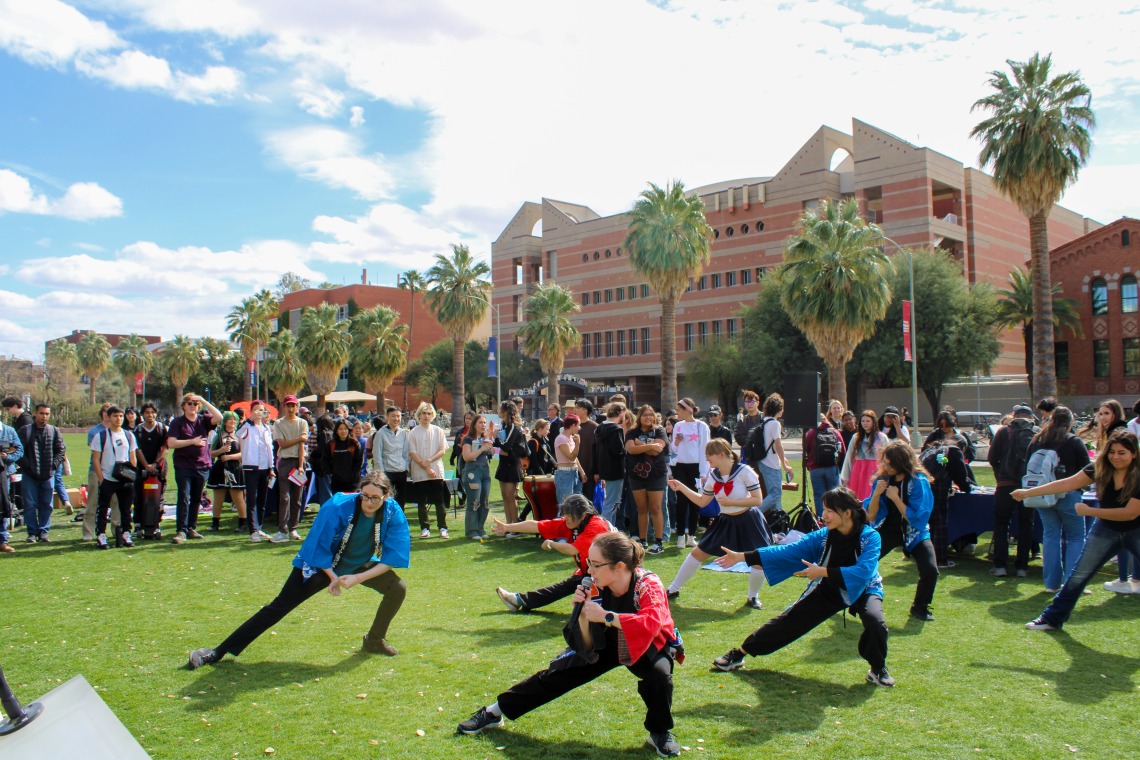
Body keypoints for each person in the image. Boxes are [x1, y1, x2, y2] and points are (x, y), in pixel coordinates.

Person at [458, 532, 682, 758]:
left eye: (595, 565)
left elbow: (651, 624)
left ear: (620, 566)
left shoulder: (648, 583)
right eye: (588, 564)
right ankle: (494, 712)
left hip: (646, 643)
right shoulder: (593, 585)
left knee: (659, 676)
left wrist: (605, 616)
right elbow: (583, 642)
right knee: (557, 674)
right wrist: (583, 614)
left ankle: (659, 732)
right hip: (606, 642)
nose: (589, 571)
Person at [187, 470, 411, 667]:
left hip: (359, 563)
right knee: (279, 606)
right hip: (321, 565)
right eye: (365, 496)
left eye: (375, 498)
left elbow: (392, 556)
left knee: (397, 589)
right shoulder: (338, 505)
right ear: (359, 491)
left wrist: (358, 578)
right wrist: (334, 578)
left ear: (386, 496)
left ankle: (373, 641)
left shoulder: (392, 511)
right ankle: (218, 652)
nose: (369, 502)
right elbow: (318, 545)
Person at [711, 487, 891, 687]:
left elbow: (865, 571)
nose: (825, 516)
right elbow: (788, 551)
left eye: (830, 511)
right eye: (824, 509)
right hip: (831, 589)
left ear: (847, 513)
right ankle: (740, 653)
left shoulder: (870, 536)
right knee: (790, 620)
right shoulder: (823, 535)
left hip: (866, 587)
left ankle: (878, 669)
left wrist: (823, 572)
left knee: (876, 623)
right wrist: (743, 556)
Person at [1018, 429, 1140, 629]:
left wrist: (1090, 512)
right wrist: (1029, 491)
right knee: (1078, 576)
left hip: (1136, 530)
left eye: (1122, 453)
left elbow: (1130, 513)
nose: (1116, 457)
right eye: (1112, 452)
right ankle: (1052, 619)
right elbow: (1068, 483)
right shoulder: (1100, 467)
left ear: (1134, 453)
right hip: (1106, 530)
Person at [665, 439, 769, 609]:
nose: (707, 459)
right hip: (725, 521)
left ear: (722, 454)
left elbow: (758, 500)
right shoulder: (714, 475)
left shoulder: (745, 471)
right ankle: (673, 589)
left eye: (709, 455)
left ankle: (753, 597)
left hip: (748, 521)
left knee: (758, 560)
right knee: (698, 553)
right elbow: (702, 501)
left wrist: (729, 502)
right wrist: (681, 487)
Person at [494, 494, 615, 611]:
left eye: (570, 515)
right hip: (593, 570)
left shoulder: (596, 526)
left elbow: (573, 549)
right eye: (565, 514)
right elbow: (537, 526)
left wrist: (551, 544)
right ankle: (520, 600)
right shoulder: (571, 523)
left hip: (614, 573)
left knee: (583, 594)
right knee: (570, 585)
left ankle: (520, 600)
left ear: (583, 515)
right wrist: (507, 528)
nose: (566, 518)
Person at [864, 441, 939, 621]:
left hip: (915, 533)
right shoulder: (882, 479)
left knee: (930, 570)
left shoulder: (919, 482)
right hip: (889, 530)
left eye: (891, 464)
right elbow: (871, 514)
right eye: (885, 462)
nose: (886, 467)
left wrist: (896, 498)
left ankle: (920, 607)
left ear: (902, 462)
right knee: (862, 561)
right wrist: (876, 495)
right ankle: (846, 595)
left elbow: (917, 518)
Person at [1017, 406, 1089, 591]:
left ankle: (1051, 583)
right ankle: (1072, 584)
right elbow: (1087, 469)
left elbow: (1027, 465)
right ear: (1070, 422)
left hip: (1042, 493)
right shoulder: (1073, 441)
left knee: (1050, 536)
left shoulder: (1038, 440)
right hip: (1069, 493)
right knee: (1075, 537)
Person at [986, 405, 1038, 577]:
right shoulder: (1036, 432)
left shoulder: (1003, 432)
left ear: (1014, 416)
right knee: (1026, 525)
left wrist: (1001, 474)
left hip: (1005, 485)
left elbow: (992, 458)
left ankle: (1000, 565)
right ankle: (1022, 566)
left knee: (1002, 524)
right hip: (1027, 486)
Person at [167, 393, 223, 545]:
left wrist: (204, 400)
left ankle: (191, 527)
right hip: (184, 465)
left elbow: (219, 417)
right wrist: (192, 441)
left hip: (202, 465)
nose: (193, 406)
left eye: (195, 404)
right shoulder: (178, 422)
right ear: (184, 406)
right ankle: (181, 530)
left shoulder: (203, 420)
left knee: (197, 498)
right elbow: (171, 443)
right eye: (190, 403)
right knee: (184, 497)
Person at [920, 415, 973, 568]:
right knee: (940, 523)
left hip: (923, 487)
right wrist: (968, 488)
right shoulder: (954, 450)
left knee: (927, 523)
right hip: (938, 488)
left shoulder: (934, 448)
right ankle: (940, 559)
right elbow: (961, 477)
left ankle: (925, 556)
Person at [90, 405, 139, 549]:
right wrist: (101, 478)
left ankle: (126, 533)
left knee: (126, 508)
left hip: (125, 478)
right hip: (108, 478)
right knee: (103, 508)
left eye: (121, 416)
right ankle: (101, 534)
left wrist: (132, 474)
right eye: (115, 416)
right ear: (108, 418)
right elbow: (96, 459)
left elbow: (132, 456)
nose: (118, 419)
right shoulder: (101, 436)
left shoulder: (129, 435)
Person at [16, 403, 65, 543]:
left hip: (48, 474)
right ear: (35, 414)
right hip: (29, 475)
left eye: (47, 414)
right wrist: (28, 467)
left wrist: (54, 465)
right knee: (29, 504)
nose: (44, 416)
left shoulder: (54, 431)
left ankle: (43, 531)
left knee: (47, 504)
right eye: (42, 413)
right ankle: (32, 532)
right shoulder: (25, 431)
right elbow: (19, 452)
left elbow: (61, 450)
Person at [626, 404, 668, 555]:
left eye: (651, 414)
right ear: (639, 417)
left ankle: (658, 542)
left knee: (656, 508)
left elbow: (658, 449)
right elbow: (630, 449)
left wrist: (640, 444)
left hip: (656, 475)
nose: (648, 417)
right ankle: (643, 541)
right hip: (636, 475)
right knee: (642, 508)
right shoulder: (632, 432)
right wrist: (649, 446)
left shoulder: (660, 430)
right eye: (645, 415)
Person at [744, 393, 795, 514]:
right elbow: (778, 445)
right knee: (776, 494)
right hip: (771, 464)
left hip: (763, 462)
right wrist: (785, 465)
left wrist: (783, 459)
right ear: (779, 409)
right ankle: (753, 513)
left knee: (773, 494)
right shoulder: (775, 424)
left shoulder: (764, 421)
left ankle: (778, 521)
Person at [270, 395, 310, 543]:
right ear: (284, 407)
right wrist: (299, 439)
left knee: (297, 498)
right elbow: (282, 444)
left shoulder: (302, 423)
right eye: (289, 406)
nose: (291, 409)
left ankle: (293, 528)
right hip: (285, 462)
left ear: (297, 407)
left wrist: (300, 466)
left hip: (298, 462)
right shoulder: (279, 423)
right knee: (284, 497)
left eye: (294, 406)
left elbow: (301, 445)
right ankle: (282, 529)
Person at [670, 398, 709, 549]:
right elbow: (674, 449)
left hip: (696, 467)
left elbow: (704, 450)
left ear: (688, 410)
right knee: (681, 501)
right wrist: (677, 442)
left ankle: (691, 536)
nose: (677, 413)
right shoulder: (678, 426)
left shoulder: (701, 426)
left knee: (695, 502)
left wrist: (703, 472)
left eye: (679, 410)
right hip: (681, 466)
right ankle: (680, 536)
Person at [408, 402, 449, 539]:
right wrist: (425, 466)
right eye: (424, 413)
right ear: (419, 415)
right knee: (422, 502)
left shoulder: (438, 431)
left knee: (439, 500)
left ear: (433, 415)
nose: (426, 416)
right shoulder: (413, 432)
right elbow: (412, 452)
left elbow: (442, 450)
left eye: (429, 413)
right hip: (419, 472)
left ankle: (443, 528)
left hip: (436, 471)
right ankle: (425, 528)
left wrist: (429, 461)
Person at [238, 400, 275, 542]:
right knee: (252, 499)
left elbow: (270, 449)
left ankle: (259, 527)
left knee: (262, 499)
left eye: (261, 409)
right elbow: (238, 434)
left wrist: (271, 467)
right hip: (251, 467)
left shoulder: (266, 428)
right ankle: (252, 529)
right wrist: (249, 419)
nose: (259, 412)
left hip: (265, 467)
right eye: (256, 410)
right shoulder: (247, 426)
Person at [206, 411, 247, 532]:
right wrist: (221, 450)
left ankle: (243, 523)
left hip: (235, 468)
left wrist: (229, 457)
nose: (232, 422)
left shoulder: (239, 436)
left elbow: (243, 454)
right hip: (220, 468)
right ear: (225, 421)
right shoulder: (218, 436)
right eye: (230, 419)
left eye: (234, 420)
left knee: (238, 498)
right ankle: (215, 523)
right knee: (218, 498)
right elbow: (210, 453)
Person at [133, 402, 168, 538]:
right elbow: (137, 449)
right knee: (139, 495)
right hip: (141, 467)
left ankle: (156, 523)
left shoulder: (162, 428)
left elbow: (165, 447)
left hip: (159, 467)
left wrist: (155, 463)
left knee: (158, 496)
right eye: (147, 412)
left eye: (152, 412)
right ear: (142, 415)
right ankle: (137, 524)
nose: (150, 415)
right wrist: (146, 465)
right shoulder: (138, 430)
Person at [839, 410, 888, 501]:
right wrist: (846, 475)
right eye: (863, 421)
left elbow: (887, 456)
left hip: (875, 469)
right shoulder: (856, 437)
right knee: (857, 495)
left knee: (872, 494)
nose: (865, 423)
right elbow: (849, 456)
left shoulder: (881, 437)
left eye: (868, 421)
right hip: (858, 469)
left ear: (873, 422)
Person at [82, 403, 115, 541]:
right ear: (102, 414)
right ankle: (88, 532)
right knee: (93, 502)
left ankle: (116, 529)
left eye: (111, 412)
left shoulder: (119, 431)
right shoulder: (94, 431)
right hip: (96, 470)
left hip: (114, 471)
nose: (108, 414)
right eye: (106, 412)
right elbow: (97, 450)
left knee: (116, 502)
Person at [594, 403, 628, 527]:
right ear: (619, 413)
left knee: (610, 502)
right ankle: (605, 531)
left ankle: (609, 529)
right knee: (612, 503)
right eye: (624, 413)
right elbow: (618, 451)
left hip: (604, 469)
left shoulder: (600, 428)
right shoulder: (616, 429)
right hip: (615, 471)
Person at [495, 400, 528, 526]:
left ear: (506, 411)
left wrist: (496, 438)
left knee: (510, 496)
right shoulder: (504, 425)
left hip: (512, 465)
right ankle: (507, 525)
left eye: (500, 409)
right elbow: (500, 446)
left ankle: (514, 526)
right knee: (505, 497)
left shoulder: (514, 427)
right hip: (504, 464)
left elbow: (507, 446)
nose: (498, 411)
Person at [805, 414, 845, 518]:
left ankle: (821, 519)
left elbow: (806, 450)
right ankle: (836, 517)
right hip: (832, 468)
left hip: (815, 469)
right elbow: (843, 451)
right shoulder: (835, 432)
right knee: (834, 495)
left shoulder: (811, 432)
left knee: (819, 496)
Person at [373, 406, 411, 514]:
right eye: (393, 416)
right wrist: (381, 474)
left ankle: (399, 522)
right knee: (386, 500)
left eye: (398, 416)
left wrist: (406, 467)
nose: (396, 419)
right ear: (387, 417)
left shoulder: (403, 433)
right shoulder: (380, 433)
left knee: (401, 501)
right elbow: (377, 455)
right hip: (387, 472)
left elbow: (406, 453)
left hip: (401, 472)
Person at [462, 414, 495, 539]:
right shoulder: (468, 439)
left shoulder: (485, 438)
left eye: (484, 423)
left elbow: (491, 453)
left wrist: (490, 446)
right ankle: (471, 530)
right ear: (474, 424)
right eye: (480, 422)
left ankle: (480, 528)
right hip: (472, 472)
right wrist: (481, 449)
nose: (483, 425)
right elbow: (467, 457)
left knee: (484, 501)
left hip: (485, 471)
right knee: (474, 501)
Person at [0, 417, 25, 553]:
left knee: (2, 506)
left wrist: (7, 457)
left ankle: (2, 540)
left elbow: (19, 450)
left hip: (4, 474)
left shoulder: (9, 431)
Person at [323, 417, 364, 495]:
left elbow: (358, 462)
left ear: (349, 429)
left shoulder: (355, 444)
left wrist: (352, 475)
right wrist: (332, 472)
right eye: (340, 429)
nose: (343, 431)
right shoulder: (331, 445)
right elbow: (325, 460)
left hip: (352, 481)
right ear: (336, 431)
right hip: (337, 481)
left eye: (345, 429)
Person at [553, 413, 585, 505]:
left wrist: (581, 472)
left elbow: (575, 458)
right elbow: (571, 457)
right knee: (565, 505)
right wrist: (578, 443)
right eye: (578, 425)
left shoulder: (570, 438)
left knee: (576, 503)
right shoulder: (561, 439)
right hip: (564, 474)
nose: (579, 428)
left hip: (574, 472)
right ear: (572, 425)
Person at [573, 399, 599, 490]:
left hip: (589, 473)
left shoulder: (595, 428)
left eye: (578, 408)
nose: (575, 410)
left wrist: (597, 472)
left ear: (585, 411)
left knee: (588, 502)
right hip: (573, 471)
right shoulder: (572, 427)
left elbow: (598, 452)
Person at [734, 390, 763, 466]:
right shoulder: (742, 421)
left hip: (763, 457)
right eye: (747, 402)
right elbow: (738, 438)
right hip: (747, 457)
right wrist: (753, 439)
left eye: (752, 402)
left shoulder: (765, 419)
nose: (749, 405)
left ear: (758, 403)